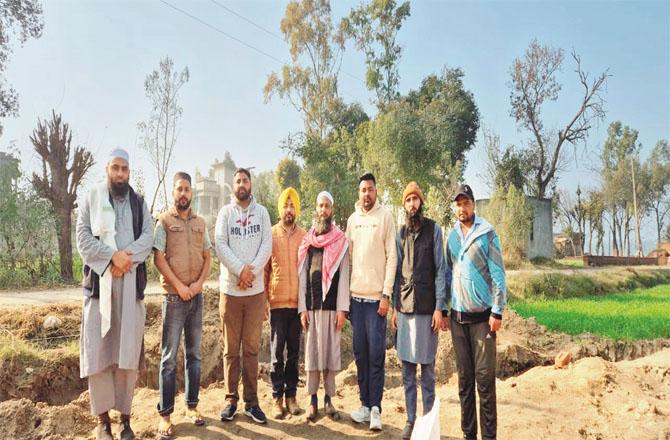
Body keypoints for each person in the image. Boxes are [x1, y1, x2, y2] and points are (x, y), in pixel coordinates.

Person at [76, 148, 153, 440]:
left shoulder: (139, 202)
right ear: (107, 169)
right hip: (99, 289)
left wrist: (125, 258)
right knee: (99, 352)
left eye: (124, 169)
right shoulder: (92, 199)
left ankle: (125, 420)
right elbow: (83, 240)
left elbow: (148, 237)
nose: (120, 173)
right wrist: (112, 257)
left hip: (130, 284)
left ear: (129, 172)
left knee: (126, 354)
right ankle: (103, 421)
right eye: (115, 168)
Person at [446, 183, 507, 440]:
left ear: (473, 204)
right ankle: (468, 435)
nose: (462, 208)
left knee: (484, 382)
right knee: (464, 383)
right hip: (458, 319)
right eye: (458, 204)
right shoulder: (451, 237)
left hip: (483, 320)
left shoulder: (487, 233)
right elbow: (448, 273)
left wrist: (497, 311)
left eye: (466, 202)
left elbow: (498, 275)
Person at [154, 172, 212, 438]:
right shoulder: (164, 222)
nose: (183, 193)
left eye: (187, 189)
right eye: (179, 189)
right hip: (174, 299)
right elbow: (158, 258)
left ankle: (192, 407)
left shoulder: (200, 222)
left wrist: (198, 285)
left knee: (194, 355)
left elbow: (207, 256)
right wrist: (179, 286)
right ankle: (165, 415)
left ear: (192, 193)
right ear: (173, 192)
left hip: (196, 298)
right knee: (168, 358)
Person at [391, 182, 449, 440]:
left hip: (427, 310)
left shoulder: (434, 230)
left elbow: (441, 270)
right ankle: (411, 420)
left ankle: (428, 424)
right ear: (404, 205)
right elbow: (396, 271)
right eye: (408, 200)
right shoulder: (400, 233)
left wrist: (440, 307)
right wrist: (394, 306)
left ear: (421, 203)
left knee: (426, 370)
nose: (412, 204)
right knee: (406, 369)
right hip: (404, 308)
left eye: (416, 199)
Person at [215, 168, 272, 424]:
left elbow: (266, 246)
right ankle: (230, 401)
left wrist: (251, 274)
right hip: (230, 291)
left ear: (251, 184)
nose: (241, 184)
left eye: (245, 180)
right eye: (237, 181)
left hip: (255, 293)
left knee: (250, 350)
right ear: (232, 186)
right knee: (230, 350)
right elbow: (220, 244)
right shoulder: (225, 213)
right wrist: (240, 270)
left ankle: (252, 403)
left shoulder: (262, 213)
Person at [346, 172, 397, 431]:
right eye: (363, 190)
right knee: (361, 355)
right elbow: (348, 260)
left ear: (377, 191)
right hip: (356, 300)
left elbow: (392, 258)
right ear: (359, 193)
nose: (367, 194)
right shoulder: (353, 220)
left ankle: (376, 408)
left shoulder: (385, 217)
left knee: (377, 355)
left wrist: (386, 294)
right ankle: (364, 405)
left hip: (377, 301)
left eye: (371, 189)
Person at [298, 191, 350, 421]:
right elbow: (302, 277)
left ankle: (329, 399)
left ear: (332, 210)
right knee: (312, 355)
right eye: (320, 206)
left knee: (330, 354)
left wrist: (342, 309)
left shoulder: (341, 240)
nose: (323, 210)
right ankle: (312, 400)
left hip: (331, 309)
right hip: (311, 308)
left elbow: (345, 277)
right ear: (316, 209)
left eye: (327, 206)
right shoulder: (308, 242)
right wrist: (302, 308)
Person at [263, 187, 306, 419]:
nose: (289, 210)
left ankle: (291, 397)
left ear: (296, 209)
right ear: (280, 208)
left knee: (294, 354)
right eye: (285, 205)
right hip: (277, 303)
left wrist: (306, 304)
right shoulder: (271, 234)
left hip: (297, 305)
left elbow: (308, 272)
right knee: (277, 354)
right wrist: (264, 301)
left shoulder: (304, 235)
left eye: (293, 205)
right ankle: (276, 399)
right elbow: (266, 270)